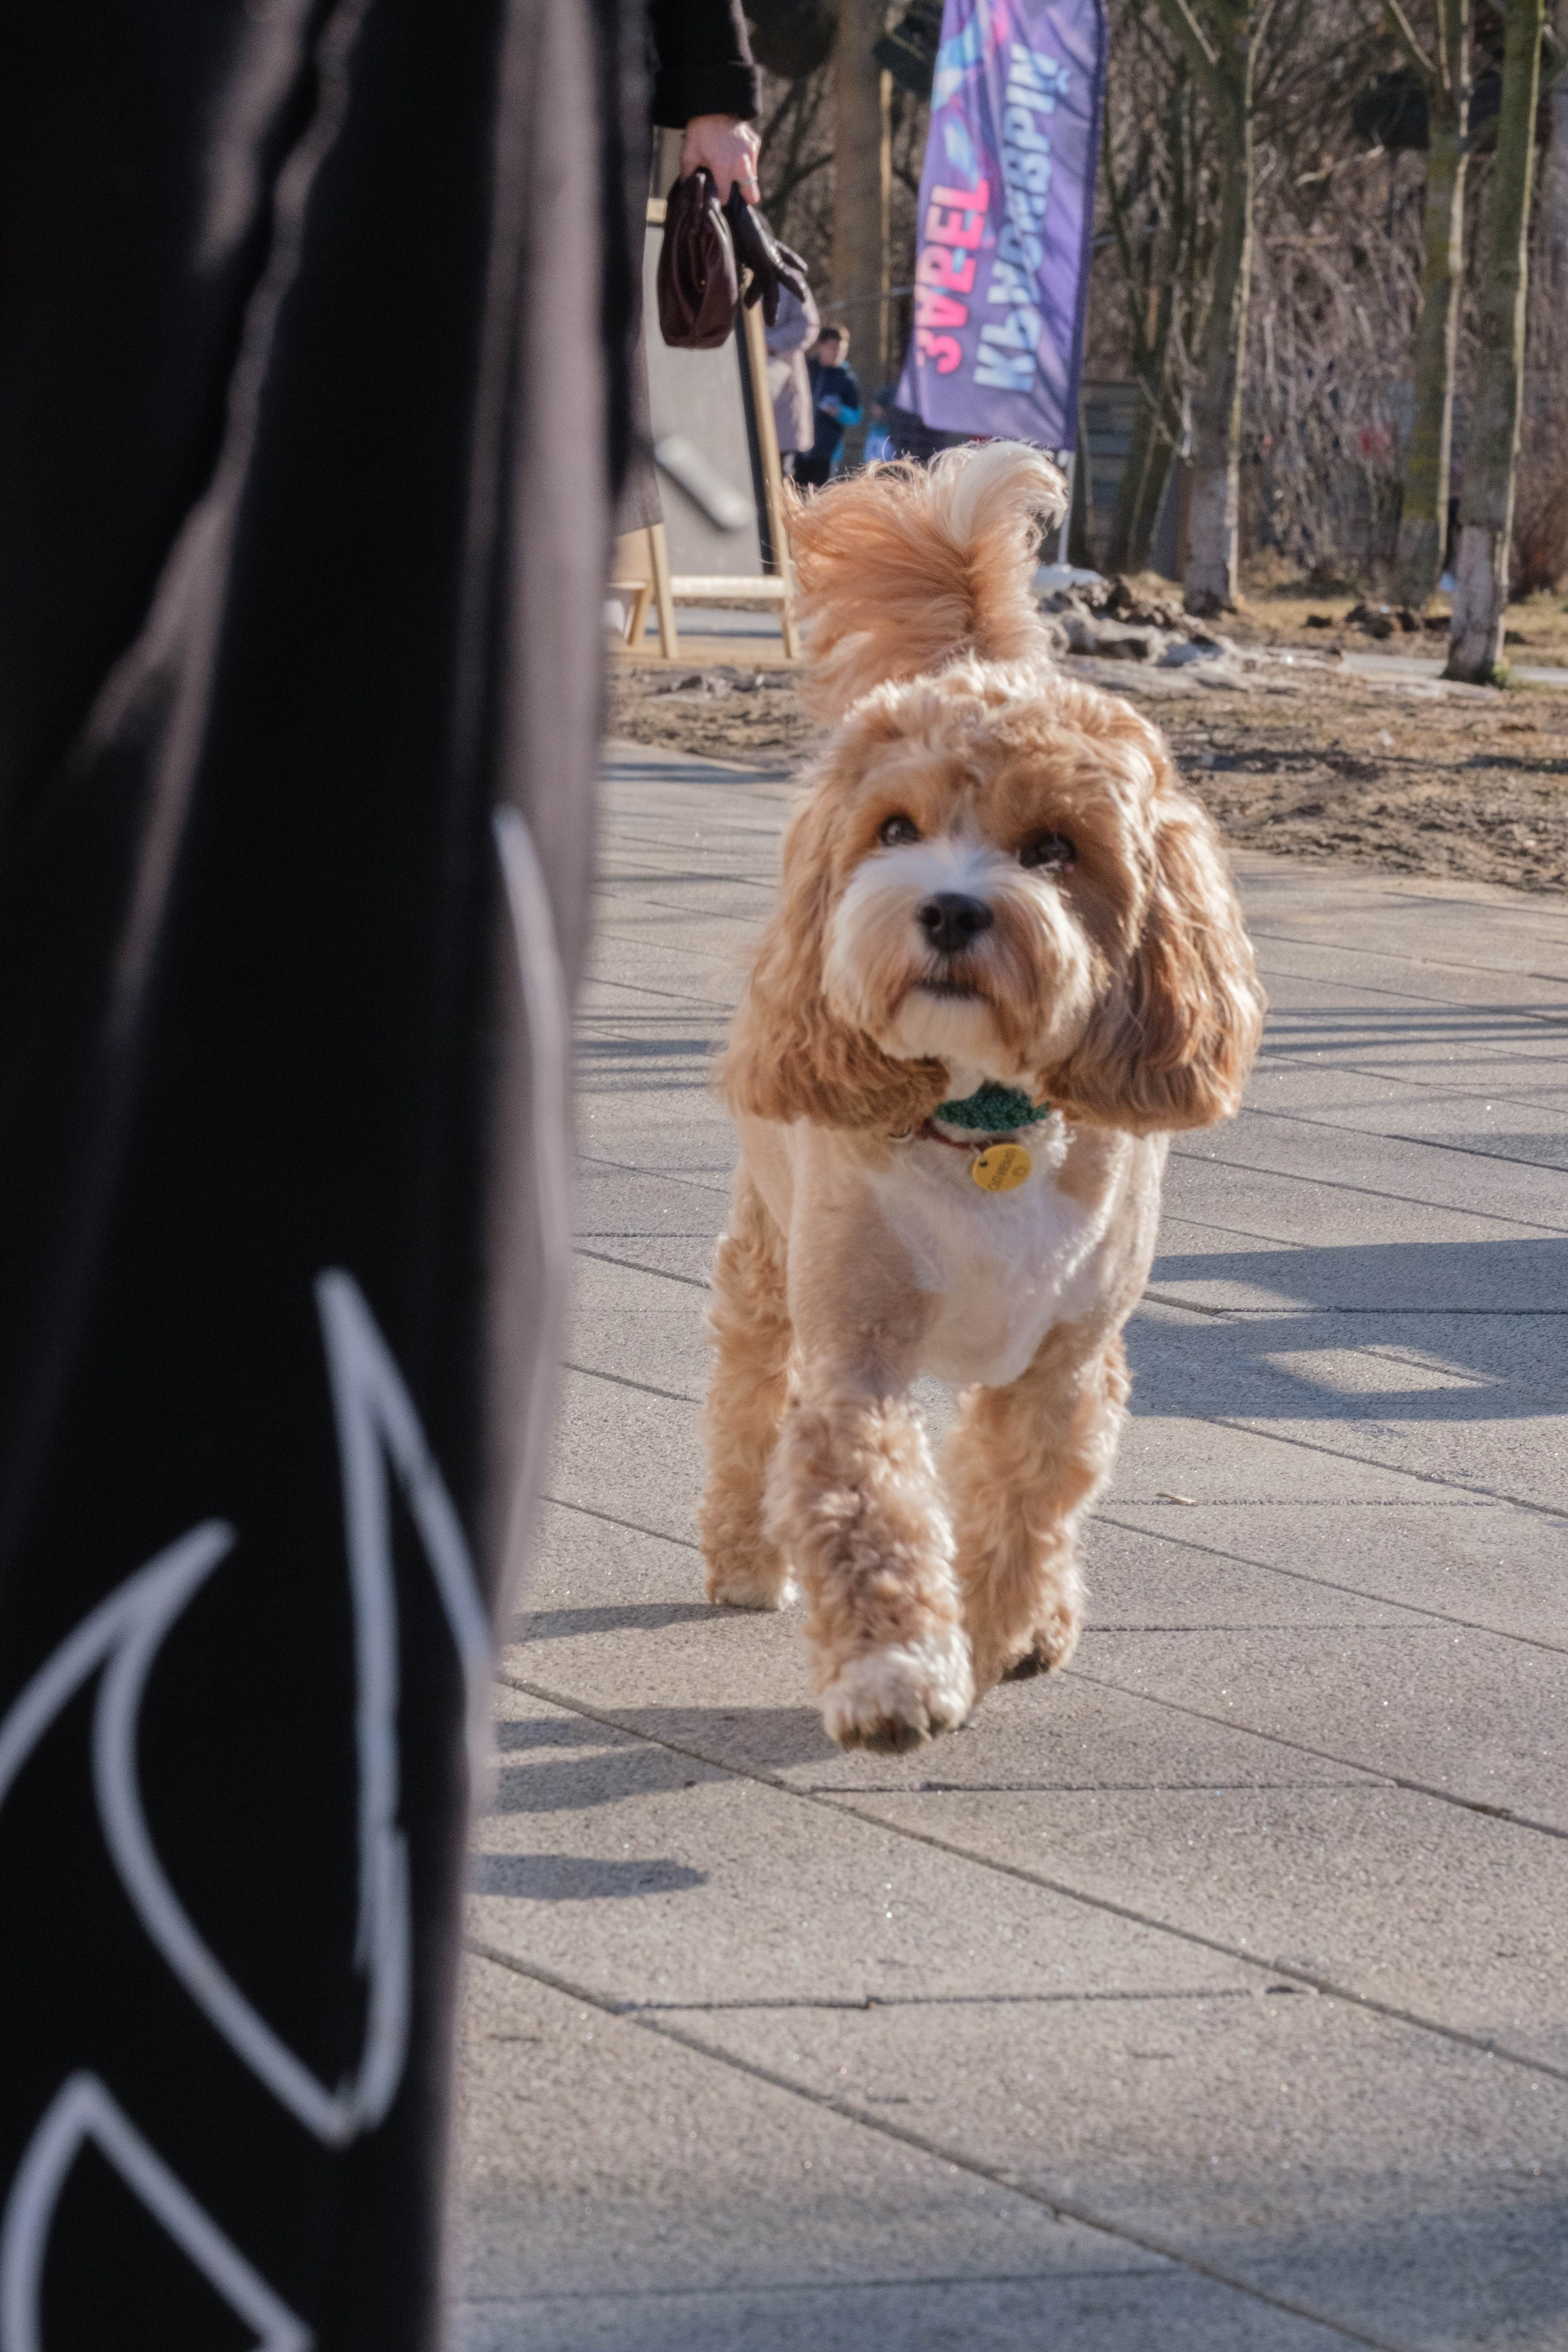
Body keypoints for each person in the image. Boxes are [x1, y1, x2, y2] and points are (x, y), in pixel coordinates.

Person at [795, 325, 863, 489]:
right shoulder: (805, 368)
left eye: (842, 349)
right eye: (833, 348)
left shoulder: (847, 379)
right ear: (821, 346)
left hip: (827, 453)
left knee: (820, 498)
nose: (837, 353)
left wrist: (839, 412)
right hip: (797, 447)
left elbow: (856, 416)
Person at [767, 279, 821, 473]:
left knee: (779, 472)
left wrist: (766, 344)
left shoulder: (787, 276)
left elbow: (807, 326)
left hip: (780, 394)